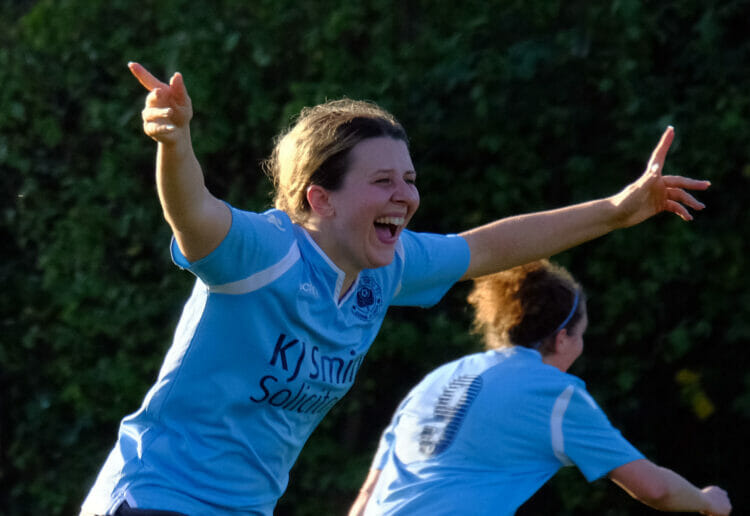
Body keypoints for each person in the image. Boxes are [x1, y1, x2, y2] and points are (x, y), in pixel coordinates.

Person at [80, 61, 711, 516]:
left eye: (409, 180)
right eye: (383, 181)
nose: (406, 196)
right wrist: (174, 141)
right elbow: (191, 211)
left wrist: (619, 209)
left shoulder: (388, 267)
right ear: (318, 198)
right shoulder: (265, 251)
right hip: (155, 495)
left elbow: (489, 246)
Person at [349, 260, 732, 516]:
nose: (581, 347)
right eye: (581, 336)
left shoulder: (438, 379)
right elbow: (653, 488)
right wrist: (706, 501)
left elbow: (367, 496)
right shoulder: (556, 394)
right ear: (563, 337)